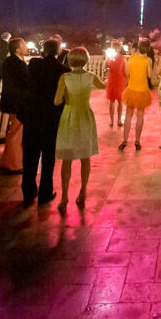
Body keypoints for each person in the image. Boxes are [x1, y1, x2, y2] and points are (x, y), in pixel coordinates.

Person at [18, 39, 70, 206]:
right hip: (51, 119)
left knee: (29, 157)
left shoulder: (32, 66)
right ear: (58, 52)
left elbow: (25, 87)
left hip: (32, 116)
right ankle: (45, 193)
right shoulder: (63, 71)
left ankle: (28, 192)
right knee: (48, 158)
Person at [53, 47, 101, 212]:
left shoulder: (64, 77)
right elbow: (103, 85)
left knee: (67, 158)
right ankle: (83, 191)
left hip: (69, 116)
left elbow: (57, 101)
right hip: (86, 115)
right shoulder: (91, 76)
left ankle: (64, 196)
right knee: (85, 157)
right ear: (86, 60)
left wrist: (66, 96)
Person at [0, 37, 28, 174]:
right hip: (17, 103)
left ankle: (11, 161)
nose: (26, 47)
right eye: (24, 45)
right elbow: (26, 82)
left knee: (15, 131)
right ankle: (12, 164)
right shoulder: (17, 64)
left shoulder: (9, 62)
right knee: (16, 132)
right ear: (17, 49)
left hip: (12, 102)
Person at [120, 39, 153, 150]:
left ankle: (124, 140)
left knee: (128, 115)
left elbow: (127, 72)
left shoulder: (131, 58)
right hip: (142, 90)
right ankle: (137, 141)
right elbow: (149, 75)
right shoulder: (148, 60)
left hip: (131, 89)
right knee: (140, 116)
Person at [104, 39, 126, 127]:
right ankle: (116, 121)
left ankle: (114, 121)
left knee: (115, 101)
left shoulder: (109, 57)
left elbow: (105, 70)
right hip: (116, 80)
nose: (118, 49)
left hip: (117, 80)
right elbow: (125, 71)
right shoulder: (120, 58)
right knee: (116, 101)